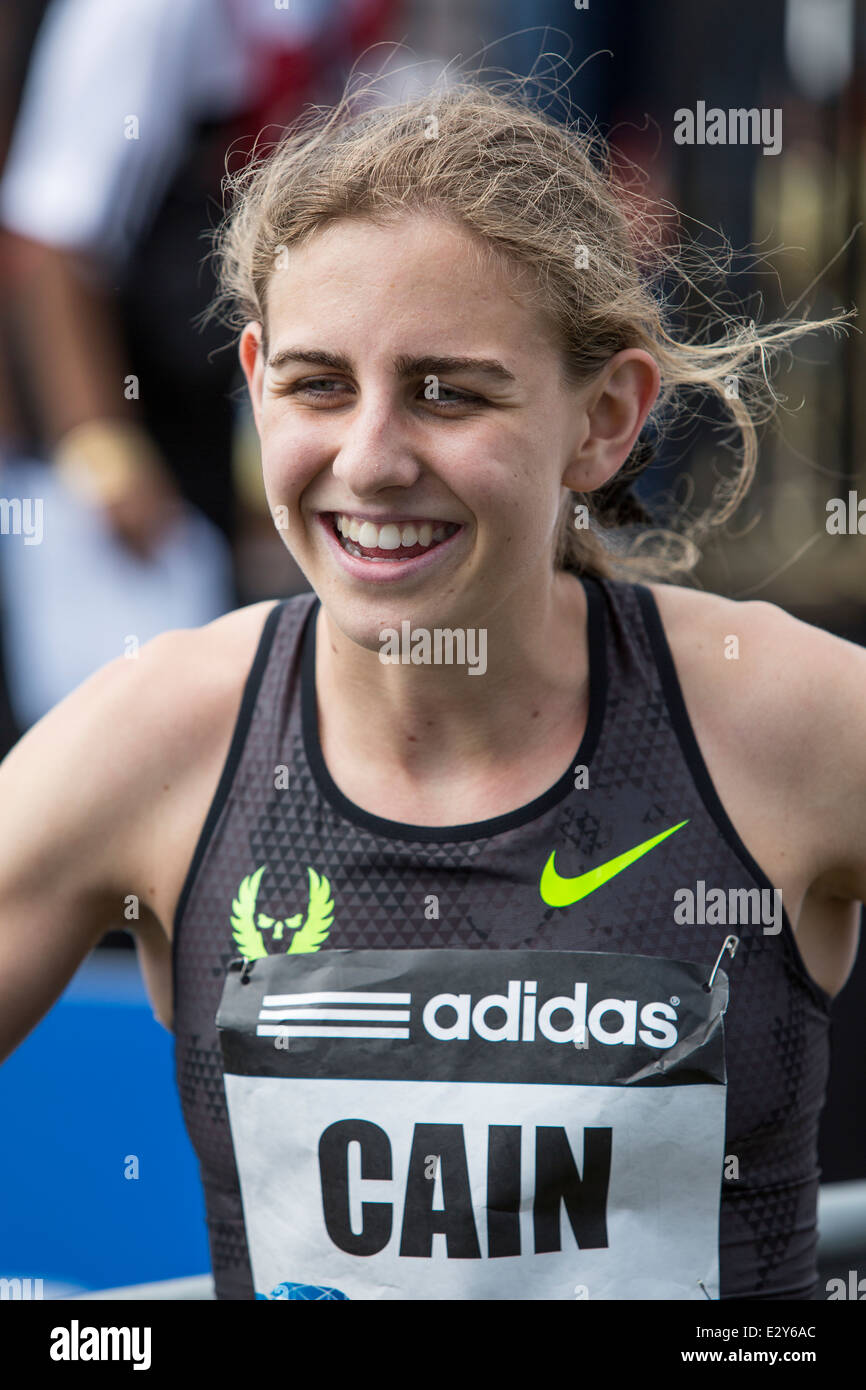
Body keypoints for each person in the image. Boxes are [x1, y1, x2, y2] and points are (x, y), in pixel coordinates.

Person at [0, 70, 864, 1302]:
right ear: (253, 382)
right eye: (315, 385)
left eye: (447, 391)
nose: (368, 459)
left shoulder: (773, 714)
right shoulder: (160, 733)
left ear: (604, 418)